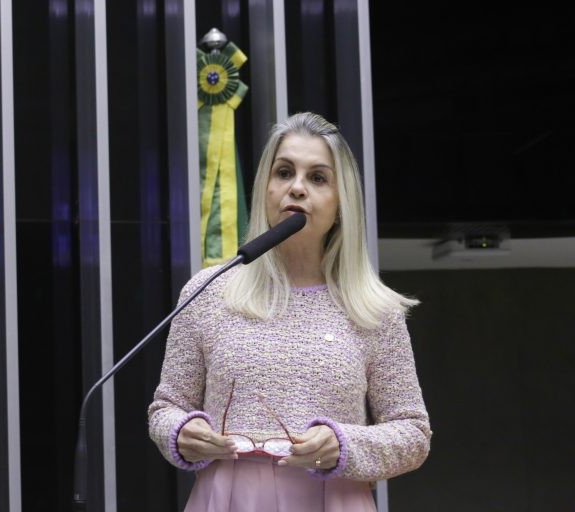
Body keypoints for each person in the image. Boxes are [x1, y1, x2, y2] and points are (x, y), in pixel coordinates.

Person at [148, 112, 431, 511]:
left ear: (340, 202)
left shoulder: (374, 310)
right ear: (265, 187)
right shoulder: (209, 291)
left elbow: (413, 435)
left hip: (333, 499)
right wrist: (180, 432)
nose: (297, 188)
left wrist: (343, 445)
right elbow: (166, 408)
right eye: (284, 172)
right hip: (228, 498)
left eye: (317, 178)